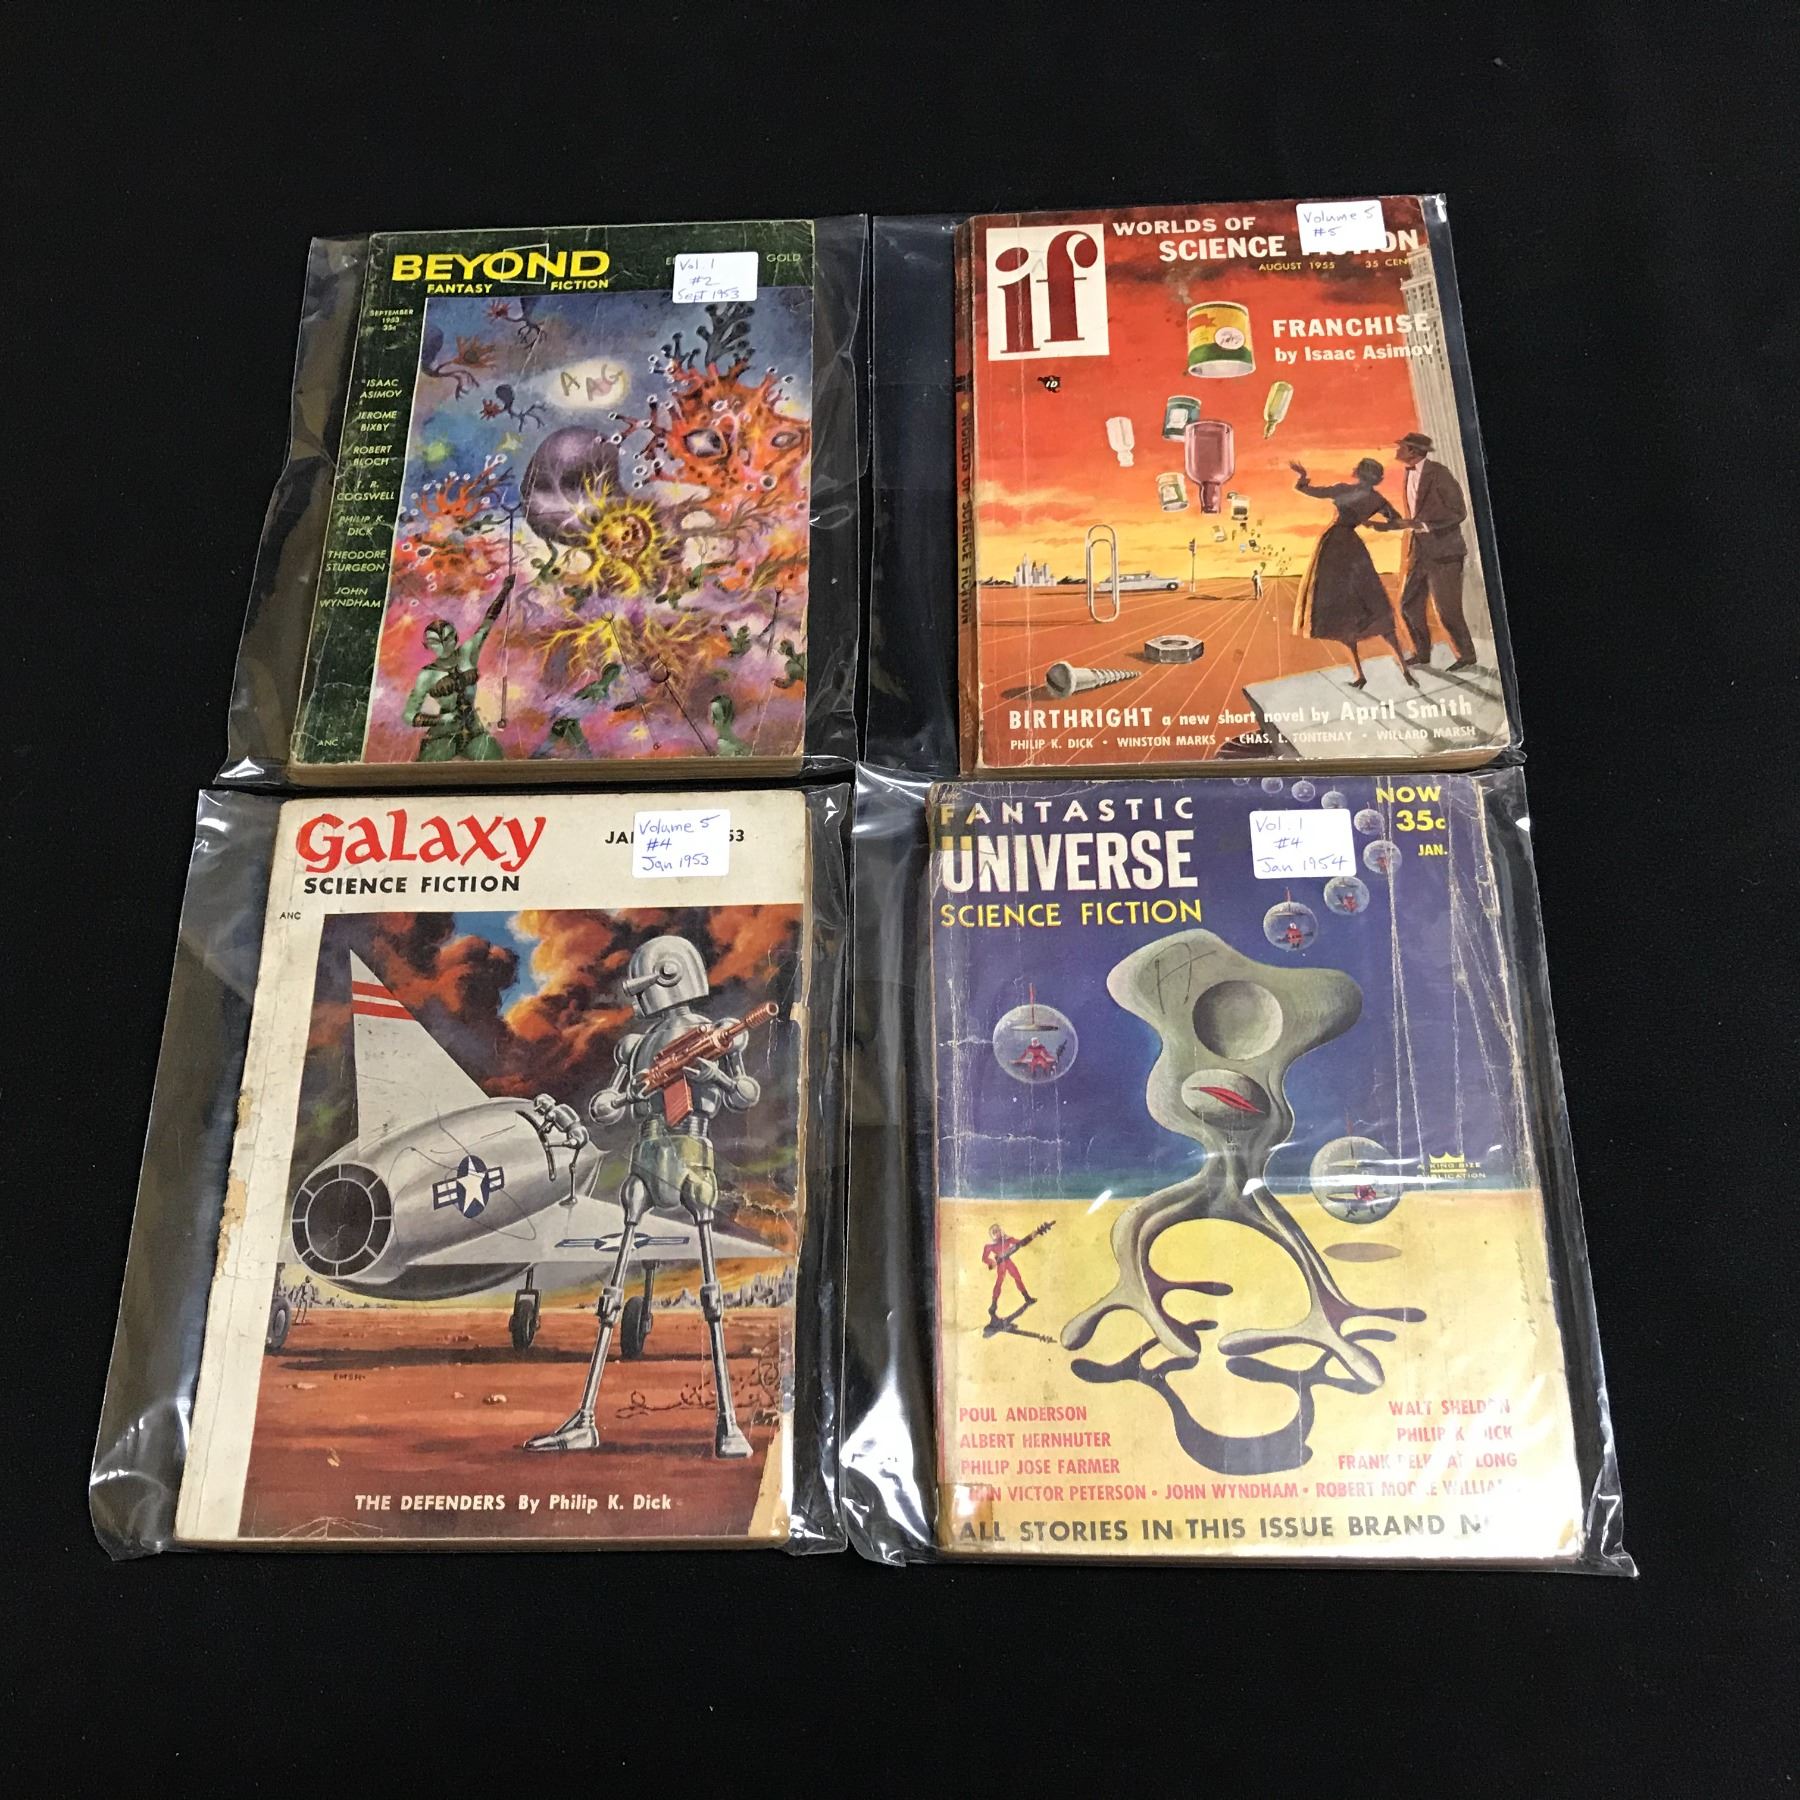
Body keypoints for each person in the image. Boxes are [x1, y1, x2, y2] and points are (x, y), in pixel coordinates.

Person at [1288, 460, 1418, 690]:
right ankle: (1402, 671)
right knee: (1372, 607)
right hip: (1350, 548)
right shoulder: (1377, 499)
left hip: (1333, 548)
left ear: (1358, 473)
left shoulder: (1344, 490)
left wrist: (1302, 477)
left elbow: (1308, 490)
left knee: (1347, 614)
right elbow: (1396, 521)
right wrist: (1374, 524)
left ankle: (1362, 674)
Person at [1388, 431, 1477, 670]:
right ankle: (1422, 653)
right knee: (1408, 604)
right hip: (1418, 552)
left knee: (1447, 611)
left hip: (1445, 553)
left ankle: (1467, 656)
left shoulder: (1439, 473)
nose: (1397, 450)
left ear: (1413, 451)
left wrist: (1425, 525)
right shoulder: (1407, 474)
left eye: (1402, 446)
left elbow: (1459, 512)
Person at [401, 574, 514, 760]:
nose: (443, 646)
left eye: (447, 639)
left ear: (455, 638)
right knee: (428, 771)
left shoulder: (467, 652)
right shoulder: (427, 675)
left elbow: (487, 623)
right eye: (435, 642)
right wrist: (440, 719)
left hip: (475, 732)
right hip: (443, 736)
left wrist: (504, 591)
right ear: (428, 646)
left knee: (498, 764)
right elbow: (409, 715)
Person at [983, 1224, 1034, 1319]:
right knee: (999, 1282)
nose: (997, 1233)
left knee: (1018, 1277)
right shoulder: (990, 1245)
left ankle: (1027, 1297)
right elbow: (984, 1258)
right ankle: (993, 1304)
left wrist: (1031, 1237)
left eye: (998, 1230)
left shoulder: (1007, 1239)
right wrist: (992, 1262)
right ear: (992, 1234)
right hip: (1001, 1264)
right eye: (994, 1232)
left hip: (1008, 1261)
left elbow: (1020, 1243)